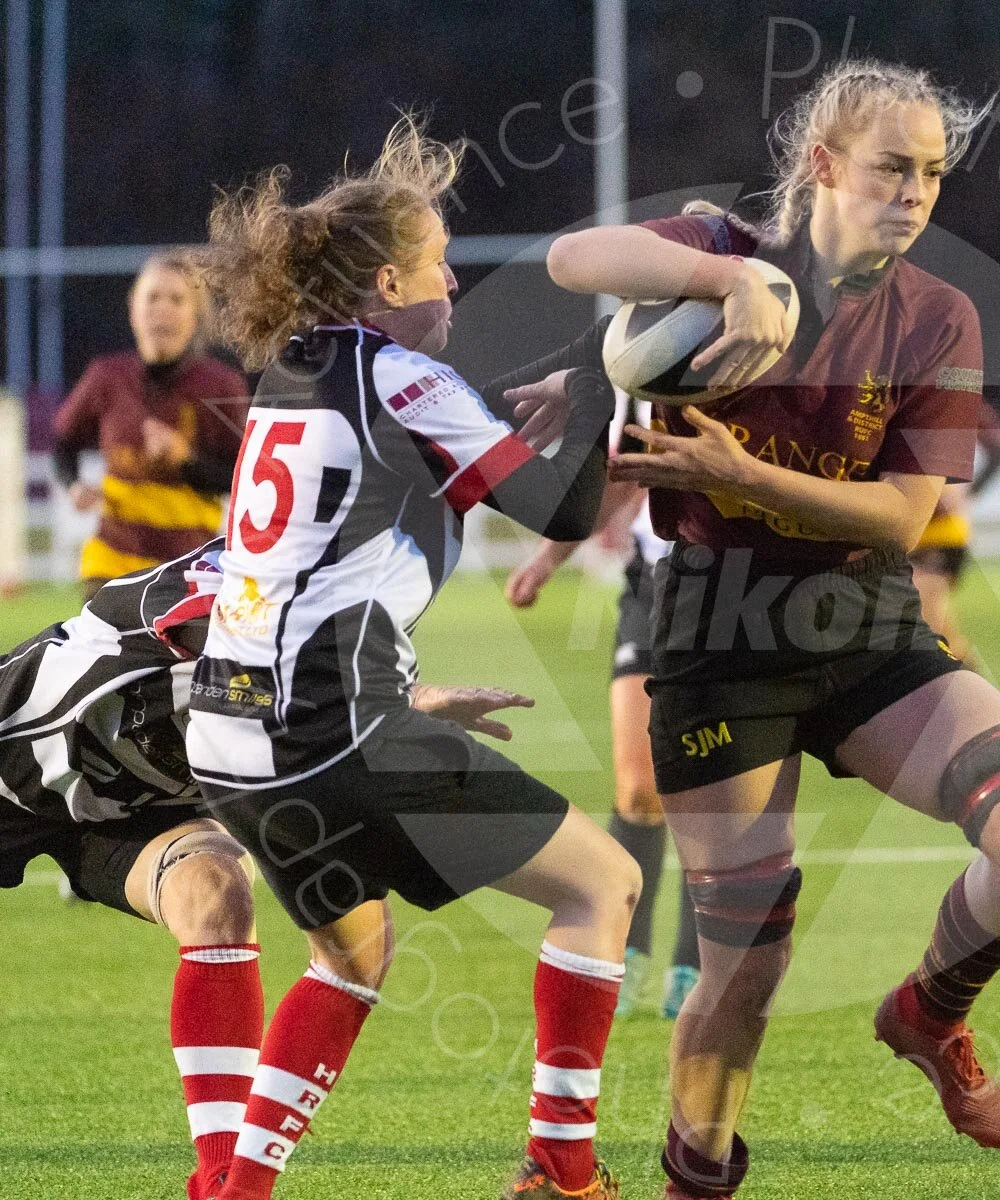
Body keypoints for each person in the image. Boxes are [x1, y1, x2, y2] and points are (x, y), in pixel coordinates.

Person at [546, 60, 1000, 1198]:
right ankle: (697, 1173)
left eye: (934, 173)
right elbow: (570, 259)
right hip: (714, 629)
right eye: (894, 167)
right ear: (825, 165)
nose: (917, 192)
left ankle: (929, 1015)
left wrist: (741, 471)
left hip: (861, 619)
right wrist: (725, 282)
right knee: (747, 963)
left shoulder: (939, 316)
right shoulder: (726, 246)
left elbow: (901, 516)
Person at [189, 116, 639, 1200]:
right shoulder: (397, 376)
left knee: (351, 955)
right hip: (337, 734)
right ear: (389, 280)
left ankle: (236, 1190)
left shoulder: (293, 372)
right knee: (603, 886)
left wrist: (559, 382)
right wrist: (602, 389)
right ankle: (561, 1172)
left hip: (229, 738)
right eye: (440, 261)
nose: (455, 278)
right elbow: (563, 509)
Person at [0, 539, 559, 1200]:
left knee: (224, 899)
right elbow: (213, 653)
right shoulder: (271, 549)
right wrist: (402, 702)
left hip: (139, 801)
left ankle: (221, 1181)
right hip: (18, 767)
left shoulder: (382, 576)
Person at [508, 393, 702, 1020]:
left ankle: (695, 968)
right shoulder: (641, 363)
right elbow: (628, 480)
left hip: (733, 590)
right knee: (639, 788)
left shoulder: (754, 352)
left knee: (710, 792)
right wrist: (548, 558)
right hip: (652, 587)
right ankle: (631, 950)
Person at [53, 251, 249, 599]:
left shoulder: (223, 386)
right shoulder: (106, 376)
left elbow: (243, 478)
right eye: (152, 297)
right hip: (112, 564)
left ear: (195, 315)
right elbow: (62, 441)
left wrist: (186, 459)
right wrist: (73, 484)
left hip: (186, 570)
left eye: (177, 299)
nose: (163, 309)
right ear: (133, 309)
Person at [909, 400, 1000, 662]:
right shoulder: (891, 396)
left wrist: (967, 494)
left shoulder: (958, 400)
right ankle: (971, 690)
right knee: (936, 627)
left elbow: (999, 451)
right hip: (907, 532)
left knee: (928, 626)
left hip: (942, 534)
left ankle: (966, 693)